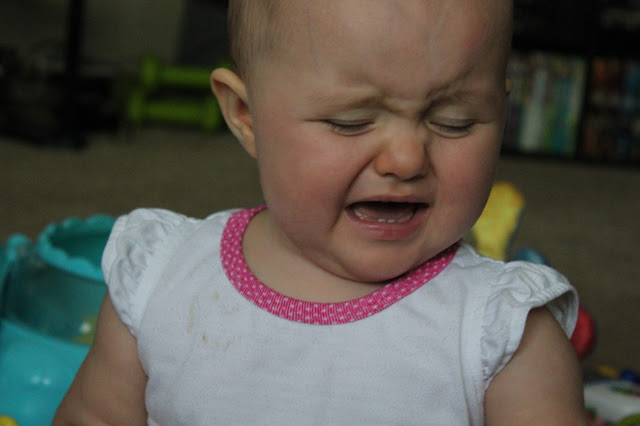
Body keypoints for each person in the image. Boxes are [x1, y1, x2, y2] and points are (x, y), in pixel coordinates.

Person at [54, 1, 588, 424]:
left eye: (455, 121)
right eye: (351, 122)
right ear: (245, 115)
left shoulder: (502, 334)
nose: (406, 159)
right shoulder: (161, 281)